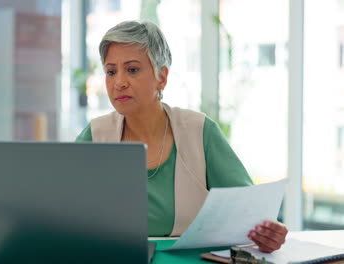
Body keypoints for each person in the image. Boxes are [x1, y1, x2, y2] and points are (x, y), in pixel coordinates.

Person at [76, 21, 287, 253]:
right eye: (111, 71)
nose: (119, 82)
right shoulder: (95, 135)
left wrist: (268, 233)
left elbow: (250, 213)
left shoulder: (199, 131)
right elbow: (63, 212)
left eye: (133, 69)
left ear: (161, 77)